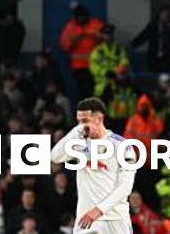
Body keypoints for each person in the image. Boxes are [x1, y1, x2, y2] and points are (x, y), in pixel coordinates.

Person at [50, 98, 137, 234]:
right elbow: (55, 157)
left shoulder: (122, 146)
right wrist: (76, 131)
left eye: (85, 121)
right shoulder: (78, 143)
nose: (81, 126)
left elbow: (125, 187)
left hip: (115, 219)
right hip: (86, 220)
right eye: (78, 121)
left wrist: (99, 210)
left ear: (99, 118)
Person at [58, 3, 104, 101]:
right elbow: (64, 45)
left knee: (95, 92)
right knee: (82, 92)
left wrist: (93, 35)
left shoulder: (96, 24)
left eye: (83, 16)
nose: (81, 19)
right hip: (78, 67)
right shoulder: (70, 27)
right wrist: (73, 41)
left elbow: (106, 38)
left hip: (95, 65)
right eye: (78, 17)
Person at [90, 25, 130, 97]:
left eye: (110, 34)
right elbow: (94, 68)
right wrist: (106, 72)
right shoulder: (97, 52)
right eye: (106, 34)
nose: (108, 36)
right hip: (102, 86)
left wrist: (119, 70)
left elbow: (124, 61)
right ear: (102, 35)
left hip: (118, 82)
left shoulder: (119, 49)